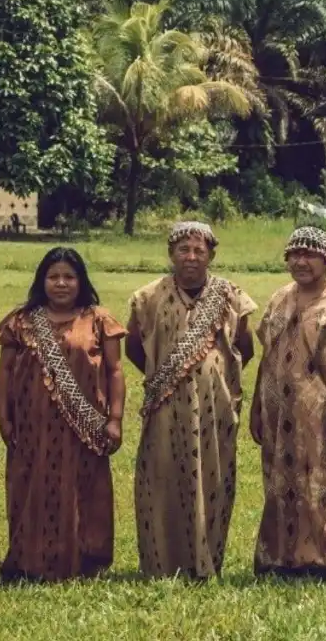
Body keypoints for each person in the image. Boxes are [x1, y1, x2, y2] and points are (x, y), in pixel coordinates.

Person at [126, 221, 257, 580]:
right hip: (165, 407)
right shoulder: (148, 297)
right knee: (162, 477)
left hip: (216, 408)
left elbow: (245, 348)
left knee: (213, 478)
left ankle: (207, 562)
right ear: (171, 254)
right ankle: (161, 565)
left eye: (200, 250)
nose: (191, 257)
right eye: (183, 249)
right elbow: (133, 346)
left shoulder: (230, 296)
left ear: (212, 255)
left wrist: (218, 378)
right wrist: (165, 375)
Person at [251, 225, 326, 586]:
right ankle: (284, 559)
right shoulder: (279, 299)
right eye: (294, 255)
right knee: (283, 483)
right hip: (282, 414)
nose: (301, 261)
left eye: (310, 255)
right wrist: (258, 405)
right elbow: (267, 356)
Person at [0, 247, 126, 582]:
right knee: (30, 486)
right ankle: (28, 561)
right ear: (42, 281)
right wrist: (4, 417)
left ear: (81, 281)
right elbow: (6, 372)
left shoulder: (99, 321)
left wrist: (114, 418)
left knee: (84, 487)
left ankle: (85, 561)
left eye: (69, 277)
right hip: (32, 426)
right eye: (53, 277)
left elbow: (114, 371)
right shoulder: (22, 321)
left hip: (84, 427)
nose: (61, 284)